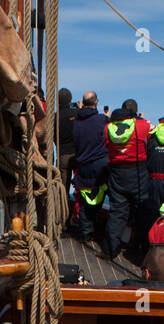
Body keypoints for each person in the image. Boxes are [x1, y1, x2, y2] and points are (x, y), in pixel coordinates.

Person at [103, 98, 152, 261]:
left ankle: (110, 249)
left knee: (117, 212)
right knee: (142, 211)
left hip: (117, 172)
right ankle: (145, 250)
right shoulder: (142, 125)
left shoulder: (108, 128)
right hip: (138, 171)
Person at [70, 91, 109, 244]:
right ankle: (102, 234)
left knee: (86, 201)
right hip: (100, 165)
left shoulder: (77, 121)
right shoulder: (102, 120)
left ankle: (86, 232)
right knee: (102, 197)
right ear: (96, 102)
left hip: (83, 166)